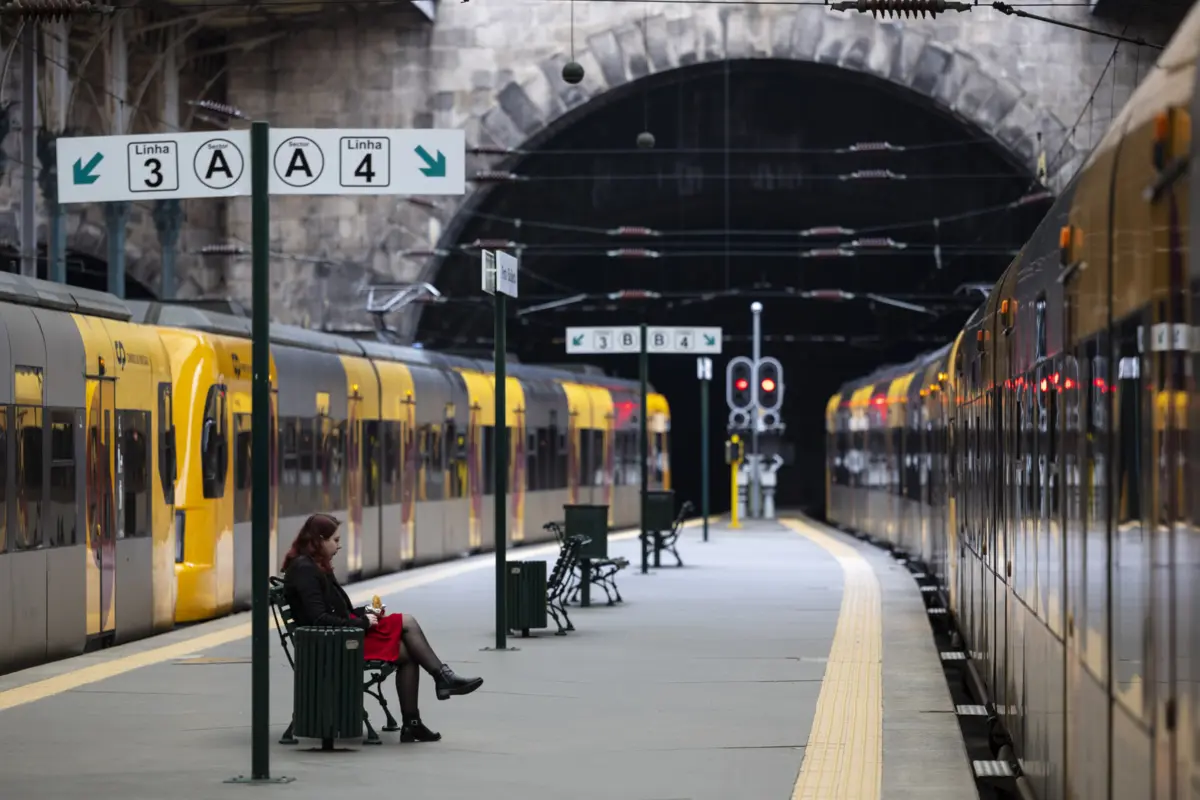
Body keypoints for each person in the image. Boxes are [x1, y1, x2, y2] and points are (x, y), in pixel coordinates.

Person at [281, 513, 483, 742]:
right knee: (406, 623)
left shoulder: (315, 565)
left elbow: (336, 610)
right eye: (335, 540)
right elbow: (319, 619)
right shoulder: (305, 569)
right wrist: (363, 622)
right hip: (331, 645)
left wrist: (365, 613)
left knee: (407, 648)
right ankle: (440, 682)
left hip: (338, 637)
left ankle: (416, 718)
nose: (340, 545)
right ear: (319, 539)